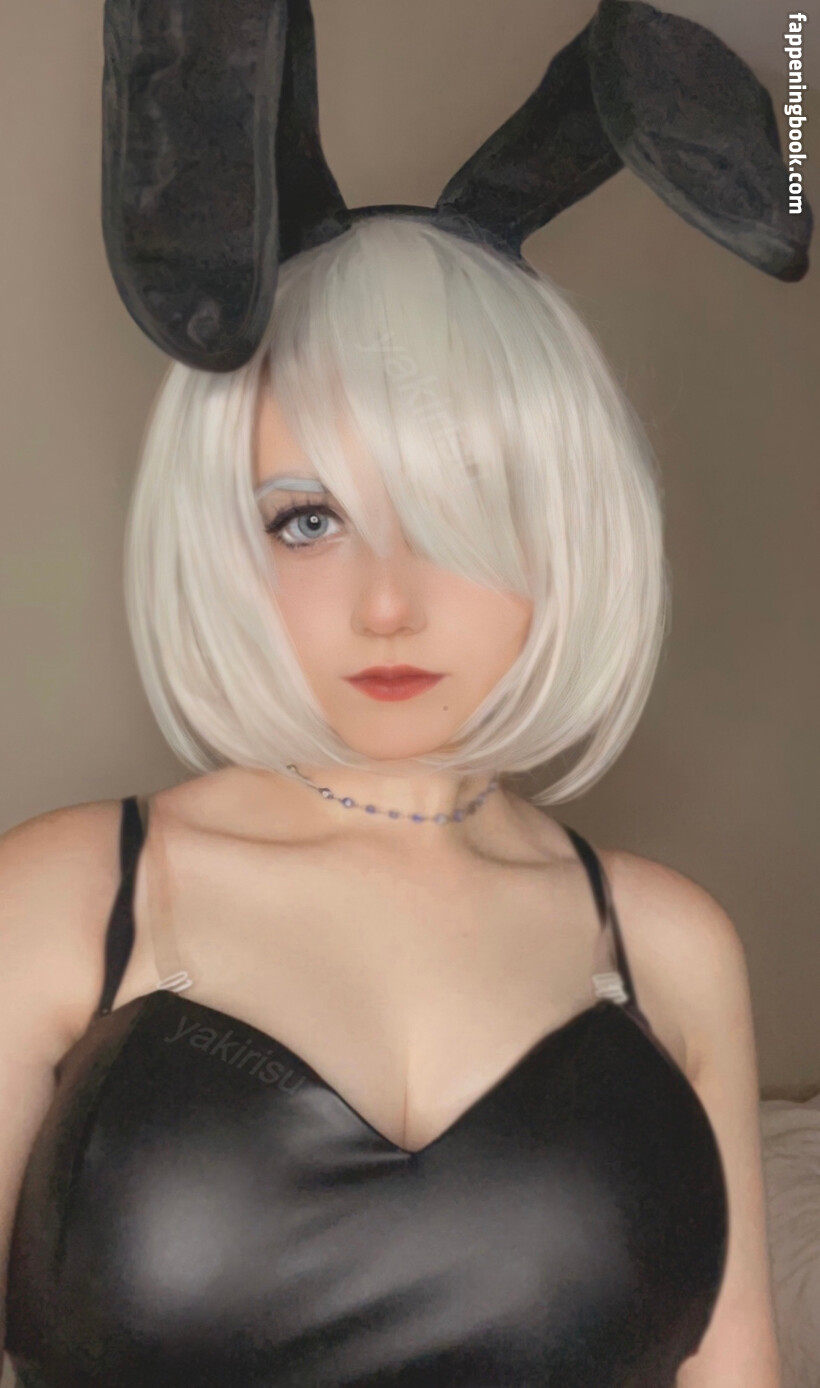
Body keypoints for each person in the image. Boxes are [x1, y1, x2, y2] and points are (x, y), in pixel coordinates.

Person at [1, 216, 779, 1386]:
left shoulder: (670, 943)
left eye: (457, 510)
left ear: (568, 531)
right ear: (222, 536)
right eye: (308, 520)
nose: (386, 604)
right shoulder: (65, 896)